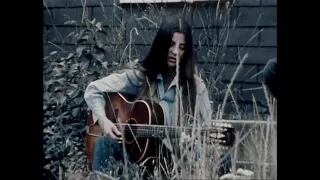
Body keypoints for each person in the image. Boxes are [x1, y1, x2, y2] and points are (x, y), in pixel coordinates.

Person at [84, 15, 225, 178]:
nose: (175, 51)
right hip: (134, 160)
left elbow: (205, 137)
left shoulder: (196, 88)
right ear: (161, 44)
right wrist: (104, 120)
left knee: (225, 160)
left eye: (182, 47)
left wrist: (191, 145)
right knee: (103, 144)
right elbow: (94, 89)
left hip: (169, 166)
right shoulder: (141, 78)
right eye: (171, 44)